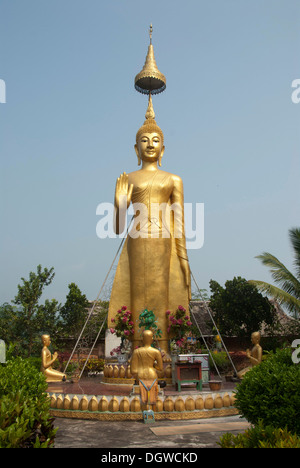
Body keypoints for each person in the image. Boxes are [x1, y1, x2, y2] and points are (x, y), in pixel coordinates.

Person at [108, 97, 191, 359]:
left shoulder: (173, 179)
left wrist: (183, 258)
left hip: (163, 241)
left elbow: (179, 221)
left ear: (163, 148)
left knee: (162, 292)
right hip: (136, 239)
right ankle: (136, 350)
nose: (150, 144)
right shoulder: (128, 179)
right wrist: (120, 203)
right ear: (136, 149)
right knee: (136, 293)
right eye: (145, 140)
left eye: (155, 139)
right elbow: (119, 226)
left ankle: (163, 349)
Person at [130, 329, 163, 405]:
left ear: (142, 339)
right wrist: (153, 364)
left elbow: (133, 371)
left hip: (140, 376)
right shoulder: (156, 352)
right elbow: (160, 368)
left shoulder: (137, 351)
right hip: (152, 376)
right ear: (152, 339)